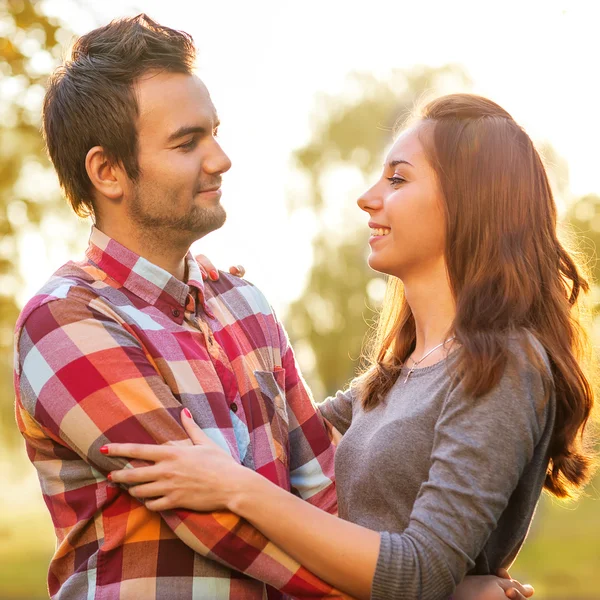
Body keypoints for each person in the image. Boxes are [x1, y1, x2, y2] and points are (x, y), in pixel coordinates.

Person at [13, 12, 532, 600]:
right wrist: (430, 591)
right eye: (187, 142)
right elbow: (218, 524)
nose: (220, 158)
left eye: (213, 132)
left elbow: (324, 491)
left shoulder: (245, 306)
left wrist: (412, 573)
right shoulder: (68, 322)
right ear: (108, 172)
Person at [106, 94, 597, 599]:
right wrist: (225, 313)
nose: (367, 197)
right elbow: (281, 441)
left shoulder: (506, 366)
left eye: (398, 179)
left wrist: (236, 487)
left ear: (473, 200)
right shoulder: (399, 372)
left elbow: (418, 572)